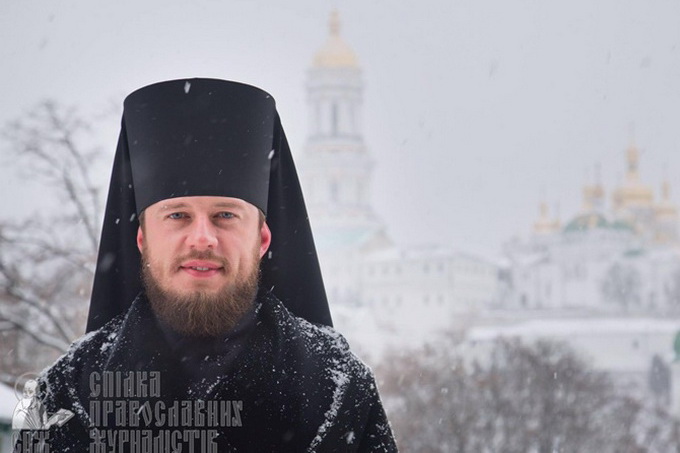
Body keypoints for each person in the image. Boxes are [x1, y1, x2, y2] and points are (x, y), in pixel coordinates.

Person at [16, 79, 397, 452]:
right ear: (142, 240)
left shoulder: (338, 387)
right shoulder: (66, 395)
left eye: (225, 215)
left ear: (262, 239)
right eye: (178, 214)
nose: (202, 238)